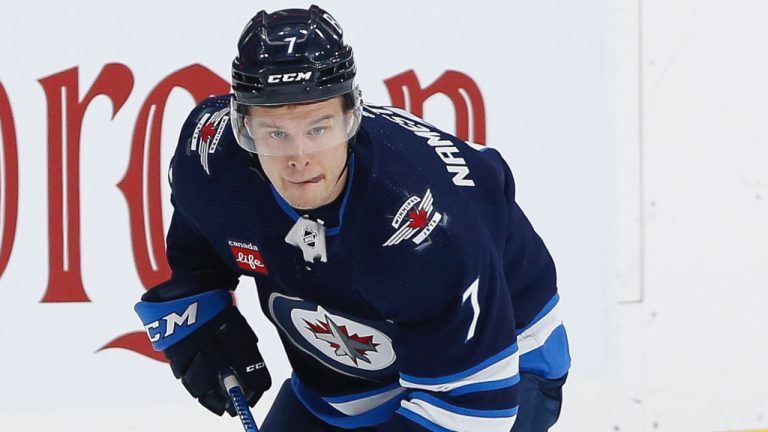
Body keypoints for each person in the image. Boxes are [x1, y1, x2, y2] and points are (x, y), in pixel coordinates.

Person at [134, 5, 571, 431]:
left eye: (318, 128)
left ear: (351, 117)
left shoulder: (422, 227)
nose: (299, 158)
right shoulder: (212, 159)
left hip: (498, 364)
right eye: (274, 133)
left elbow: (472, 413)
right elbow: (204, 241)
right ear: (241, 127)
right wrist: (199, 303)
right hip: (343, 381)